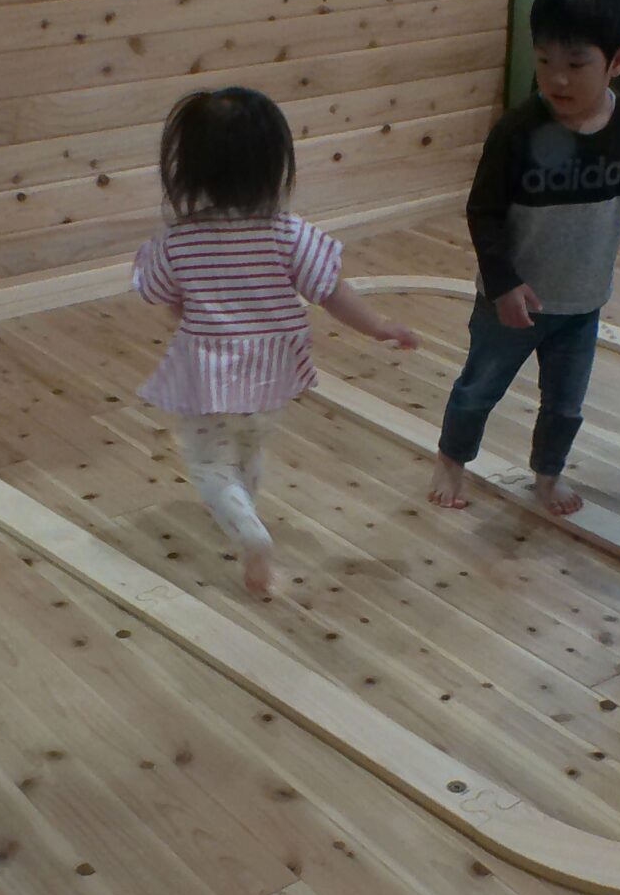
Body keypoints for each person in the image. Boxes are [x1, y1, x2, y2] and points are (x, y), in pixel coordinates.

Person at [134, 86, 418, 599]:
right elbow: (330, 290)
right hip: (271, 376)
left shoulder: (179, 240)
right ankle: (249, 515)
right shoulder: (288, 232)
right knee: (248, 448)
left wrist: (189, 308)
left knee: (209, 465)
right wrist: (378, 326)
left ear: (189, 169)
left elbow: (157, 291)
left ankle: (252, 535)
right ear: (272, 166)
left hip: (210, 377)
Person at [430, 0, 620, 517]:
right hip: (512, 301)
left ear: (617, 61)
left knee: (565, 403)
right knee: (479, 387)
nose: (557, 78)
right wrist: (504, 283)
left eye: (575, 64)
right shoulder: (518, 132)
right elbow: (483, 212)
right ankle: (451, 459)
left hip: (583, 299)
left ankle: (547, 474)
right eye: (544, 61)